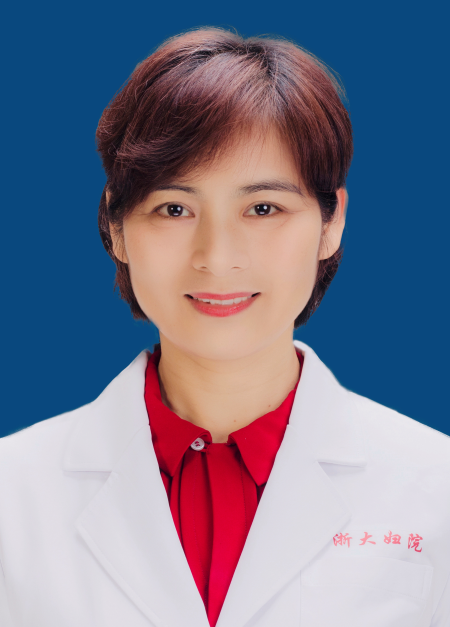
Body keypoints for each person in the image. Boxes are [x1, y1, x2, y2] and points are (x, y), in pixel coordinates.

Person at [0, 26, 449, 627]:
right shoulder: (12, 493)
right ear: (115, 226)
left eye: (263, 208)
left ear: (331, 222)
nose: (217, 257)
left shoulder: (435, 487)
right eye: (174, 208)